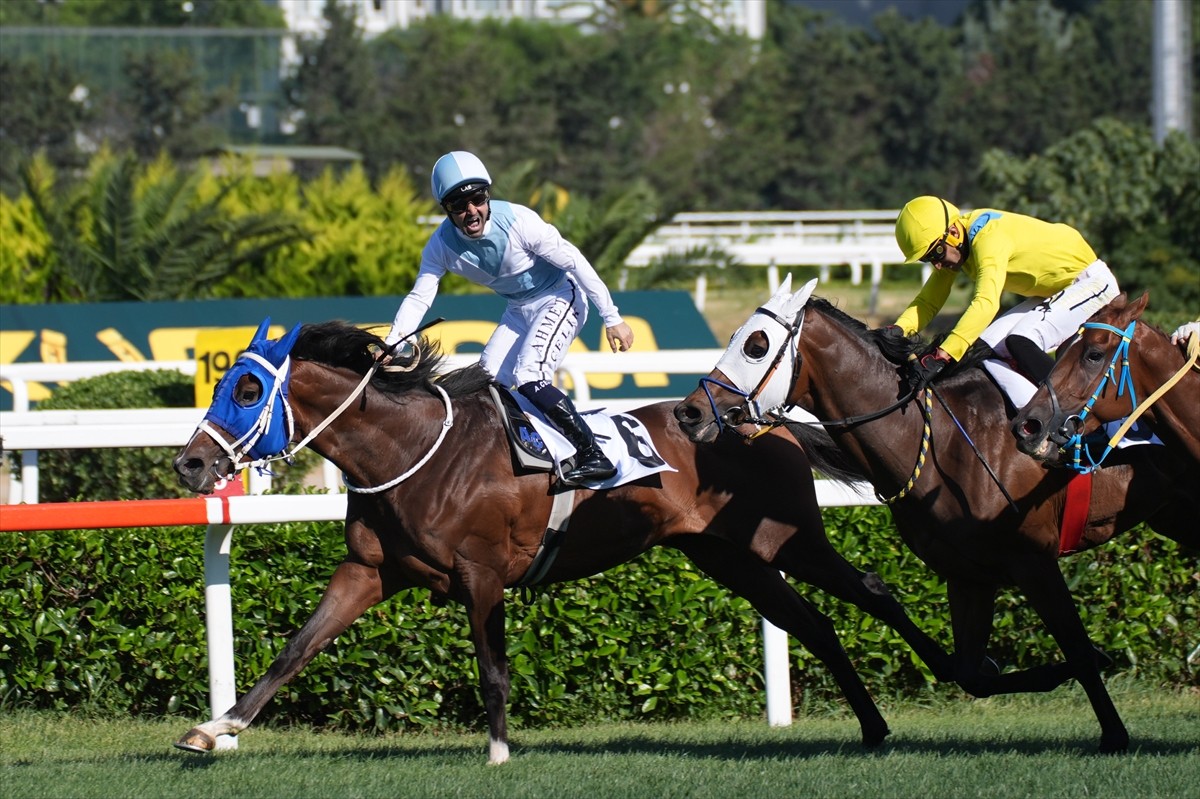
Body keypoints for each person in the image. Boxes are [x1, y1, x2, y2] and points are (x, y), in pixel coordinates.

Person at [385, 151, 634, 485]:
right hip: (518, 309)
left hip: (560, 296)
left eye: (477, 198)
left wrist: (612, 317)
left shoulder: (519, 221)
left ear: (487, 196)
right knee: (484, 384)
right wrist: (393, 342)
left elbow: (574, 261)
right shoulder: (439, 245)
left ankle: (592, 453)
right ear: (446, 210)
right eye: (459, 205)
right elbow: (420, 296)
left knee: (529, 374)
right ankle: (510, 457)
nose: (471, 211)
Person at [888, 196, 1119, 406]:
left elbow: (986, 302)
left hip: (1092, 284)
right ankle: (1034, 419)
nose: (937, 264)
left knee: (1020, 340)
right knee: (984, 350)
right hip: (1057, 291)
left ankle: (1076, 410)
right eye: (928, 259)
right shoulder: (956, 244)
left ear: (954, 232)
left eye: (936, 253)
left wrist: (943, 354)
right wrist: (898, 329)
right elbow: (929, 301)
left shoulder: (989, 238)